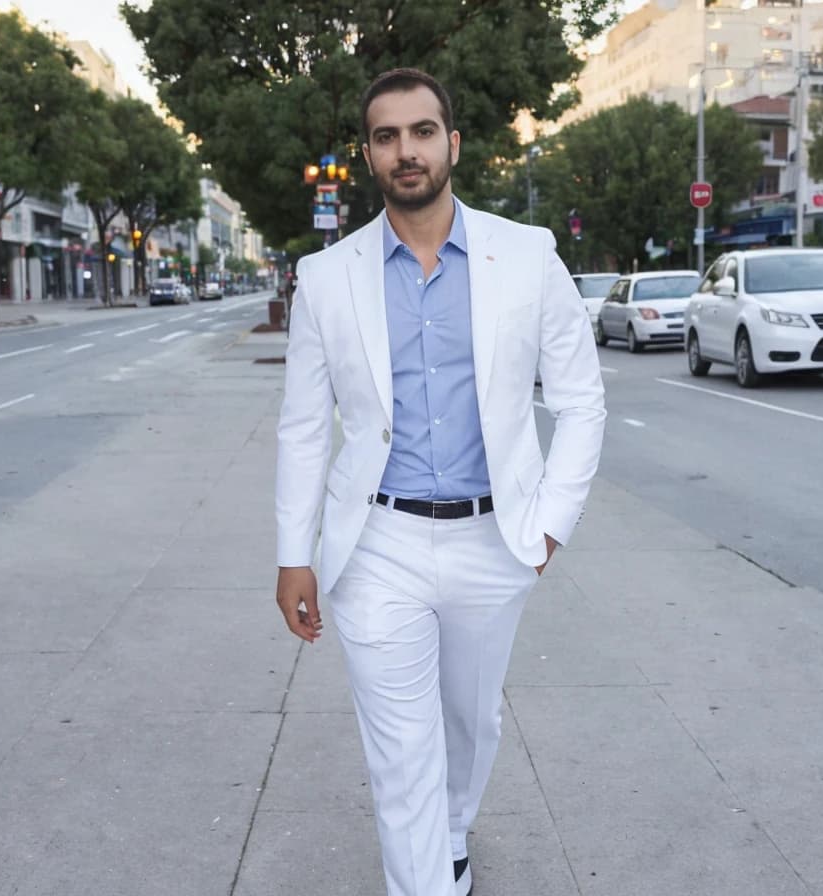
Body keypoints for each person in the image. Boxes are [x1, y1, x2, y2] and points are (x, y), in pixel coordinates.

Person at [274, 68, 606, 896]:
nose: (406, 150)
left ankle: (454, 827)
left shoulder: (527, 256)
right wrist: (294, 554)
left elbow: (582, 401)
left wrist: (551, 524)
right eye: (386, 137)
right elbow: (306, 427)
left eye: (421, 132)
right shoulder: (327, 277)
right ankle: (427, 880)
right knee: (400, 754)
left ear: (452, 144)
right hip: (376, 543)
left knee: (471, 722)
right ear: (368, 155)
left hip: (495, 538)